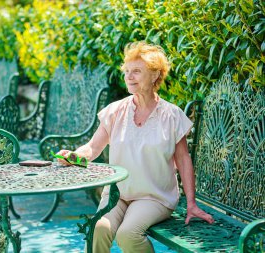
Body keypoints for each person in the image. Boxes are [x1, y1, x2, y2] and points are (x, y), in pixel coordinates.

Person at [56, 41, 214, 253]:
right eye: (127, 71)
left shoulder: (172, 115)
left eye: (137, 71)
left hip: (153, 196)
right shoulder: (115, 111)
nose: (129, 77)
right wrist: (73, 156)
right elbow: (92, 148)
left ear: (155, 75)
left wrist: (192, 203)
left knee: (128, 234)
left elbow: (184, 160)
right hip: (117, 194)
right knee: (98, 228)